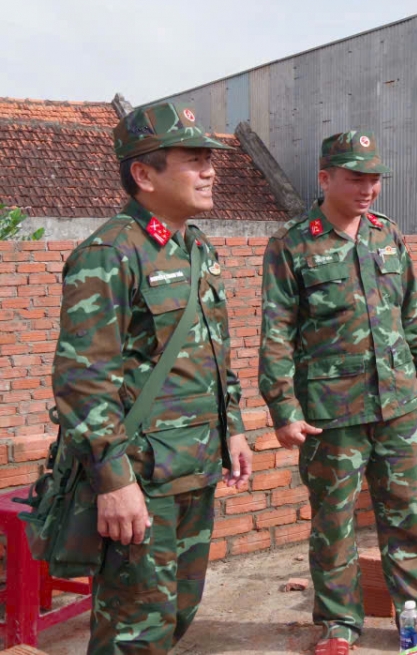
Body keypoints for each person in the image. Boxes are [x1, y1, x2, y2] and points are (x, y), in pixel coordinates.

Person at [258, 131, 417, 655]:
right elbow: (277, 333)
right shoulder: (292, 244)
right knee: (333, 524)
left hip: (398, 406)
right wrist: (283, 408)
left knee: (409, 518)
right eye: (356, 177)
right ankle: (338, 626)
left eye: (374, 178)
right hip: (331, 414)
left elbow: (413, 310)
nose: (368, 188)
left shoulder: (386, 235)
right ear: (325, 178)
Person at [53, 102, 252, 655]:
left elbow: (215, 354)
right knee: (133, 633)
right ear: (144, 174)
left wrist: (231, 426)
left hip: (195, 468)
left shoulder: (196, 248)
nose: (210, 171)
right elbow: (81, 380)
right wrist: (114, 483)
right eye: (193, 161)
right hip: (142, 481)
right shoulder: (110, 252)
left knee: (176, 615)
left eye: (210, 160)